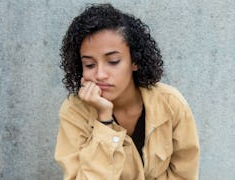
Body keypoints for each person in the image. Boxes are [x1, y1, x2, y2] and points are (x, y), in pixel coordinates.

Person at [54, 3, 199, 180]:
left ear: (135, 61)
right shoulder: (74, 112)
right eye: (89, 65)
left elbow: (184, 174)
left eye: (113, 61)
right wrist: (104, 121)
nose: (100, 75)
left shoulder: (171, 103)